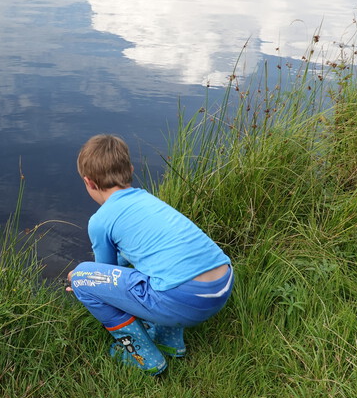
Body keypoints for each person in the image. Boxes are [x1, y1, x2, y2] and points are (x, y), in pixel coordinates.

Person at [67, 134, 233, 376]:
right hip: (222, 286)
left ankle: (142, 356)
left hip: (185, 300)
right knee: (157, 265)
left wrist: (80, 279)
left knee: (83, 276)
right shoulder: (149, 201)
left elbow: (105, 272)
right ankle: (169, 342)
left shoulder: (100, 221)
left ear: (89, 182)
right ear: (130, 170)